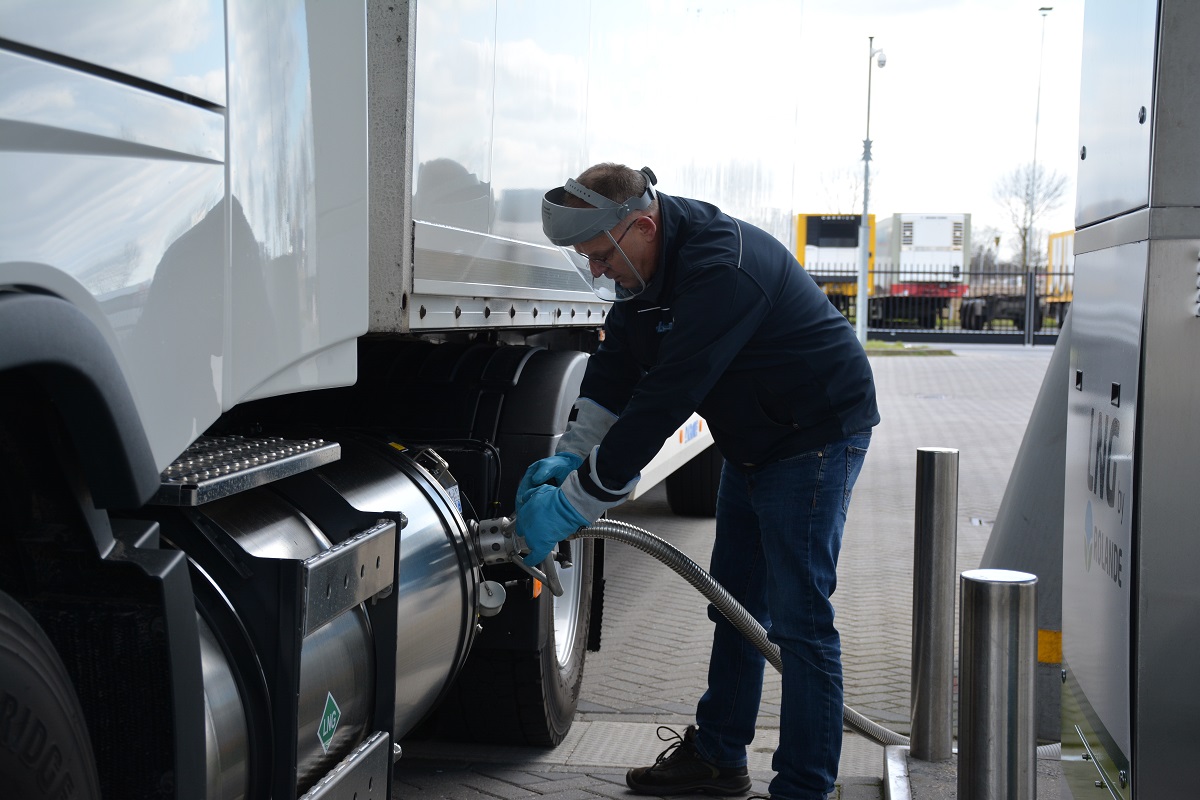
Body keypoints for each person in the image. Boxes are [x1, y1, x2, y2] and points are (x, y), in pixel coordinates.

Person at [515, 163, 880, 800]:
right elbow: (616, 367)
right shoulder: (642, 272)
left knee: (800, 619)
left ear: (643, 226)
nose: (596, 271)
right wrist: (572, 456)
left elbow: (665, 398)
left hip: (814, 435)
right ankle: (718, 758)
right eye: (587, 259)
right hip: (754, 437)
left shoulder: (721, 267)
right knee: (735, 604)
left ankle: (805, 787)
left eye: (600, 255)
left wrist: (578, 501)